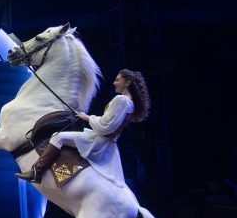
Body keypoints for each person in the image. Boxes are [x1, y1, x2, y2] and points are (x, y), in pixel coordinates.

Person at [16, 69, 150, 184]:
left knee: (58, 137)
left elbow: (105, 125)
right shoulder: (130, 103)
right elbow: (109, 123)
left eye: (118, 80)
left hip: (99, 141)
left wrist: (87, 117)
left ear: (127, 82)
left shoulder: (121, 100)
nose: (114, 83)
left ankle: (37, 172)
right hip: (108, 144)